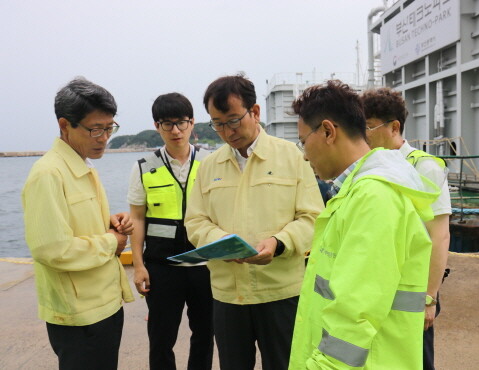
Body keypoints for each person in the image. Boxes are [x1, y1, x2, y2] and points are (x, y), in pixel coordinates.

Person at [288, 80, 440, 369]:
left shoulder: (374, 198)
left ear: (328, 131)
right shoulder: (355, 193)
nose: (305, 154)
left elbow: (354, 315)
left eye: (303, 141)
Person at [185, 74, 323, 370]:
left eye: (233, 120)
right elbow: (195, 221)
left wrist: (278, 243)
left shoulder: (292, 156)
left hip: (281, 292)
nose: (227, 131)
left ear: (255, 112)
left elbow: (313, 218)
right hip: (228, 296)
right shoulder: (209, 166)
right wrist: (220, 243)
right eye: (217, 123)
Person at [21, 77, 134, 370]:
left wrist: (107, 221)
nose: (104, 137)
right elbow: (52, 248)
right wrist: (113, 241)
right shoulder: (48, 174)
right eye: (96, 129)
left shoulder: (83, 166)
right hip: (79, 314)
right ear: (64, 125)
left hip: (103, 303)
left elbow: (73, 223)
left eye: (110, 128)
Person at [361, 87, 452, 370]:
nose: (362, 136)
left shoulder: (424, 168)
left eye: (367, 127)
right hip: (377, 289)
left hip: (411, 293)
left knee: (417, 361)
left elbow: (439, 236)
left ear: (394, 127)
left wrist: (429, 298)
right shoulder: (366, 167)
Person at [127, 92, 214, 370]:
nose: (175, 130)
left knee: (205, 334)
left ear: (192, 123)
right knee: (161, 337)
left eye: (181, 122)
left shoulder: (211, 162)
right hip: (162, 267)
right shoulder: (144, 167)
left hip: (205, 264)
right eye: (167, 124)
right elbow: (137, 218)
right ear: (157, 126)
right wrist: (138, 266)